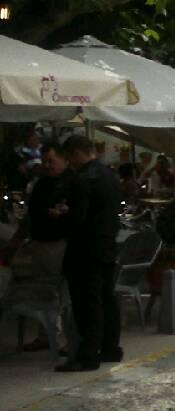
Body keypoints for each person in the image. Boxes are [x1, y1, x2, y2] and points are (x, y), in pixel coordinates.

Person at [56, 136, 123, 372]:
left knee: (87, 302)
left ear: (75, 153)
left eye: (68, 157)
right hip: (107, 245)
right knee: (106, 297)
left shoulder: (83, 179)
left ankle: (88, 355)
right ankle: (110, 347)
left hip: (85, 249)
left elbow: (78, 218)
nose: (69, 163)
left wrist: (62, 215)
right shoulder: (110, 176)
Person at [1, 142, 73, 351]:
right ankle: (45, 335)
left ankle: (60, 340)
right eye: (45, 161)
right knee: (44, 293)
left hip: (59, 245)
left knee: (59, 293)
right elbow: (30, 216)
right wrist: (16, 240)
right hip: (40, 244)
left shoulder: (72, 183)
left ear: (64, 159)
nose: (47, 165)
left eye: (52, 161)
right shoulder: (42, 183)